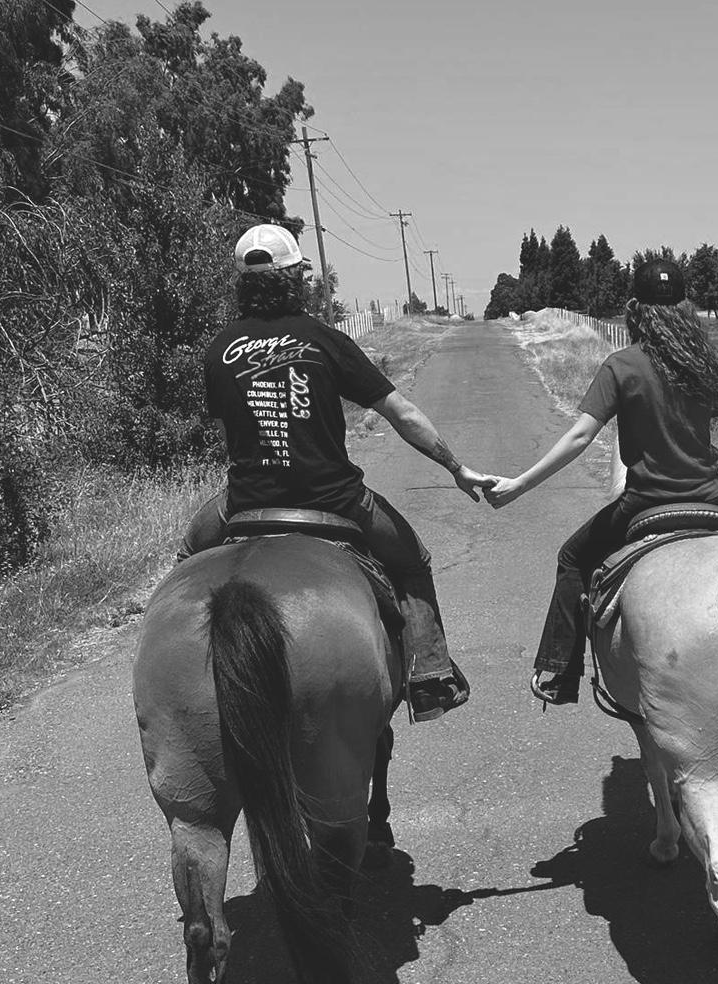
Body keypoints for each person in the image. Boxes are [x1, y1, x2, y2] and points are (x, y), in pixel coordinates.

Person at [179, 224, 493, 723]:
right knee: (412, 562)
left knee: (187, 562)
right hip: (335, 500)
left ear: (243, 282)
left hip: (244, 501)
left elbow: (232, 433)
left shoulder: (220, 348)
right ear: (295, 277)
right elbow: (403, 415)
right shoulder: (325, 340)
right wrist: (456, 468)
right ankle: (430, 677)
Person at [484, 257, 718, 704]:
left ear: (635, 309)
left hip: (646, 502)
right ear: (685, 307)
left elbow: (579, 437)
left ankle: (558, 670)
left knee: (572, 559)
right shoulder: (704, 363)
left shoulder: (622, 365)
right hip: (712, 499)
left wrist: (519, 485)